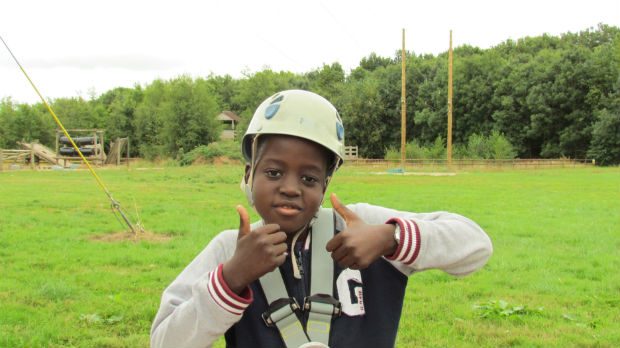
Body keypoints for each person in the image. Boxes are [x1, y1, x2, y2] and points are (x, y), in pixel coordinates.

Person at [150, 90, 493, 348]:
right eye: (272, 172)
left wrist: (391, 239)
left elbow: (476, 246)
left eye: (309, 179)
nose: (290, 189)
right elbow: (164, 341)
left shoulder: (364, 225)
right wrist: (231, 278)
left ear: (326, 183)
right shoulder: (229, 250)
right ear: (248, 173)